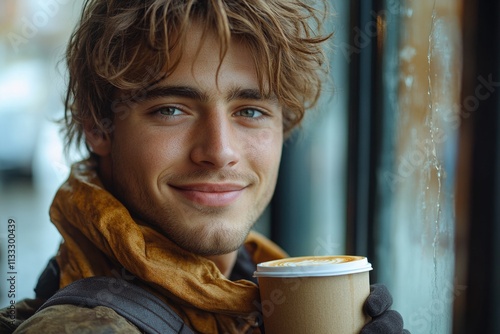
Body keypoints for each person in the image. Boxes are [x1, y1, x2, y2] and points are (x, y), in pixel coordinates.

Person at [1, 0, 409, 333]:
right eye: (172, 109)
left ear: (285, 125)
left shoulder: (252, 294)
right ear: (98, 126)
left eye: (249, 110)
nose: (219, 150)